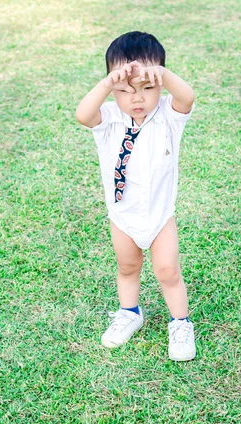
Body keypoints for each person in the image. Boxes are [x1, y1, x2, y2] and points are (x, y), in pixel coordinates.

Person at [75, 31, 196, 361]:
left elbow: (188, 97)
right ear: (113, 89)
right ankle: (129, 312)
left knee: (168, 270)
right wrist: (104, 85)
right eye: (125, 90)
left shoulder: (169, 116)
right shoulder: (111, 118)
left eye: (147, 87)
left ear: (159, 84)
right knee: (127, 267)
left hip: (159, 215)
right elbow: (83, 115)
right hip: (122, 215)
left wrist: (165, 74)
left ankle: (180, 323)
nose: (136, 98)